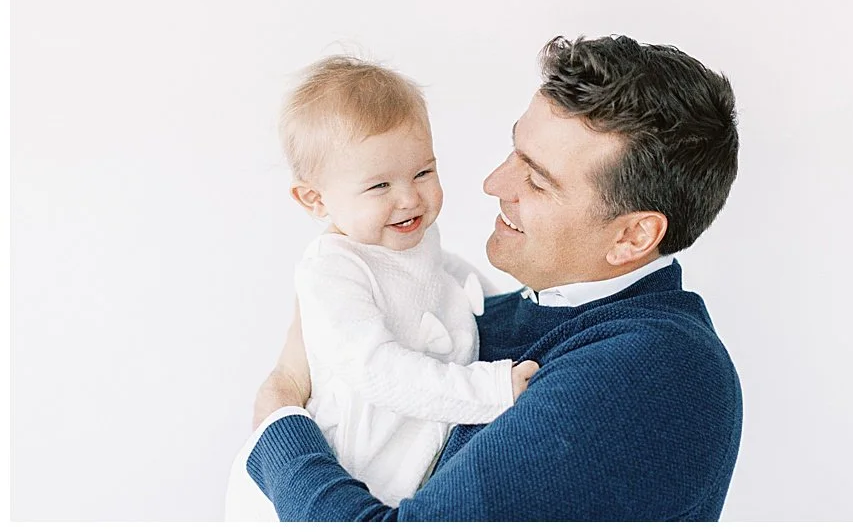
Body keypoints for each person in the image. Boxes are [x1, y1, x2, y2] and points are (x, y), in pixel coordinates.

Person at [245, 36, 745, 521]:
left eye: (537, 180)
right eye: (514, 152)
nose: (493, 184)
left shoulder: (650, 372)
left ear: (633, 235)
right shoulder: (486, 313)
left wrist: (278, 419)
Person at [224, 57, 539, 521]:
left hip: (406, 472)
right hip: (328, 481)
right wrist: (490, 390)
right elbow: (376, 369)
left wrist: (514, 307)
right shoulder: (332, 271)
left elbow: (448, 282)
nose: (409, 198)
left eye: (423, 173)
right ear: (315, 199)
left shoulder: (414, 242)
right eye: (379, 186)